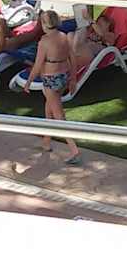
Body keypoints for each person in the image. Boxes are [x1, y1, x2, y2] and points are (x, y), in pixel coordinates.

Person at [24, 12, 82, 165]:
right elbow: (73, 58)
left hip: (50, 79)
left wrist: (29, 82)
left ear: (45, 24)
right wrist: (73, 79)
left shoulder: (44, 41)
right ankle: (46, 141)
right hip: (63, 76)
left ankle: (74, 150)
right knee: (49, 109)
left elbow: (38, 65)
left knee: (59, 116)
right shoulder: (64, 37)